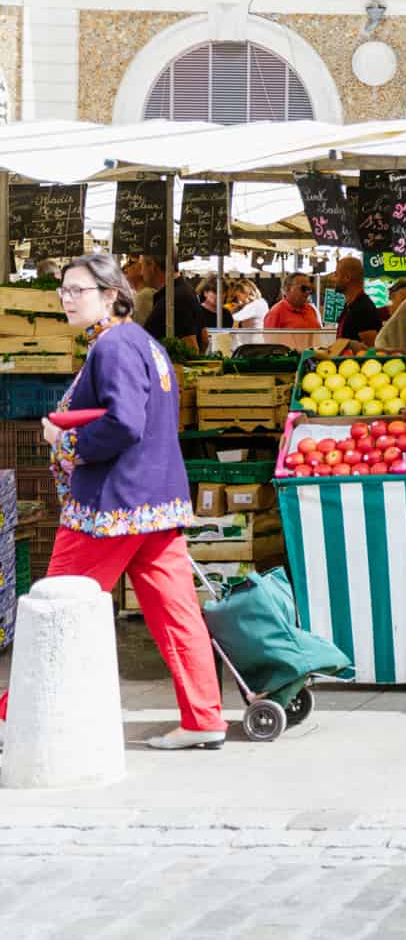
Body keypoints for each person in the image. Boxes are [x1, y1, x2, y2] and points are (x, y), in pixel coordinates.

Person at [0, 254, 226, 752]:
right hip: (156, 502)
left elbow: (124, 423)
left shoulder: (115, 344)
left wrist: (67, 443)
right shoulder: (143, 343)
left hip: (111, 507)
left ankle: (12, 716)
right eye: (64, 289)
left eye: (77, 289)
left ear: (111, 294)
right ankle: (203, 715)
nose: (66, 297)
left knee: (55, 608)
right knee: (175, 613)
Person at [137, 255, 202, 349]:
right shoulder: (185, 291)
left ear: (152, 266)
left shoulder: (175, 297)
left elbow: (191, 346)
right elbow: (204, 339)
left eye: (142, 266)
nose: (141, 272)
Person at [331, 256, 382, 346]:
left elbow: (372, 349)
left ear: (347, 277)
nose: (333, 278)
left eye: (336, 274)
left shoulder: (363, 308)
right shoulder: (351, 305)